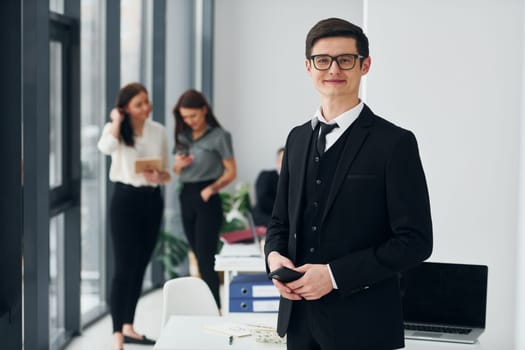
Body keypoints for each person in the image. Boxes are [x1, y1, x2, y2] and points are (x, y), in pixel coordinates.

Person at [264, 18, 433, 350]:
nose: (333, 69)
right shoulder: (297, 140)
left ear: (365, 65)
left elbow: (415, 241)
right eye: (322, 60)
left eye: (346, 59)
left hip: (364, 327)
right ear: (308, 67)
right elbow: (279, 222)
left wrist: (334, 275)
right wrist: (274, 258)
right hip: (299, 323)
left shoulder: (394, 143)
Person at [97, 82, 171, 350]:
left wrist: (159, 175)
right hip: (125, 201)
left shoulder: (159, 131)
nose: (146, 107)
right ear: (126, 108)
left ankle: (129, 326)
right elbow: (105, 147)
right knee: (123, 267)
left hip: (151, 201)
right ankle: (117, 335)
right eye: (139, 104)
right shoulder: (116, 131)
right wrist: (117, 121)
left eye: (147, 101)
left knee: (140, 265)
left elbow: (168, 172)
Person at [172, 89, 237, 309]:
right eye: (185, 118)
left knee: (206, 258)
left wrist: (212, 188)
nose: (189, 121)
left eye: (193, 116)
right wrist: (178, 166)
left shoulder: (220, 136)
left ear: (204, 110)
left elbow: (231, 172)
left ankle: (214, 309)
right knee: (197, 257)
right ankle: (204, 307)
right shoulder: (183, 137)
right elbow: (177, 171)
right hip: (186, 195)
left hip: (208, 197)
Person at [252, 147, 284, 227]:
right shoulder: (266, 176)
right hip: (266, 215)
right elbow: (263, 200)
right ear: (278, 162)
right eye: (283, 159)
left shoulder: (296, 179)